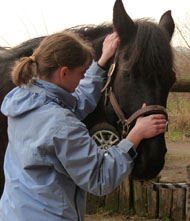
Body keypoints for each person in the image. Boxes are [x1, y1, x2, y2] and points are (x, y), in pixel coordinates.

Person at [0, 31, 167, 221]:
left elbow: (75, 104)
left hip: (14, 211)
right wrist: (135, 136)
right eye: (82, 73)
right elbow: (100, 178)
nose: (82, 78)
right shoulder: (61, 124)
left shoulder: (23, 99)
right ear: (63, 73)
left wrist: (102, 62)